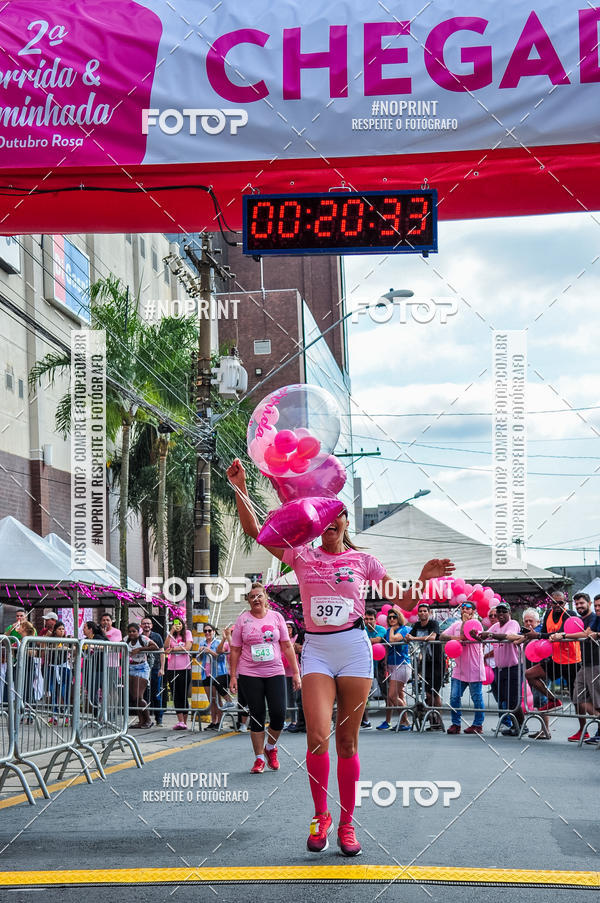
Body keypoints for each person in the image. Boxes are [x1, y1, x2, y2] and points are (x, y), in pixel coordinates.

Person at [227, 457, 454, 857]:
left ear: (347, 523)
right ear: (316, 523)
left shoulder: (364, 562)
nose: (331, 523)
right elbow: (255, 531)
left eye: (339, 517)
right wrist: (240, 486)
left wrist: (423, 577)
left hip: (353, 651)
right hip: (316, 651)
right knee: (317, 738)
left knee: (347, 743)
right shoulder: (301, 556)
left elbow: (404, 599)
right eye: (324, 518)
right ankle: (321, 817)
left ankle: (348, 823)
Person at [229, 583, 300, 773]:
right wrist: (233, 676)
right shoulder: (243, 620)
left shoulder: (277, 617)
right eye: (252, 597)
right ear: (248, 600)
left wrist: (296, 673)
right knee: (257, 715)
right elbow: (235, 649)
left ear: (265, 598)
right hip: (249, 673)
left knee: (278, 714)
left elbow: (287, 646)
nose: (256, 599)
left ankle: (270, 747)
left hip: (275, 671)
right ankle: (259, 758)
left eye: (259, 596)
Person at [525, 591, 580, 732]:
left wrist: (537, 635)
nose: (557, 605)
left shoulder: (570, 614)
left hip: (572, 661)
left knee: (576, 699)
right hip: (555, 659)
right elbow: (544, 634)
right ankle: (553, 699)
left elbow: (559, 633)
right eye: (554, 602)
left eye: (560, 602)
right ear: (550, 603)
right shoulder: (548, 614)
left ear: (565, 602)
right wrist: (525, 637)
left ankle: (583, 730)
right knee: (530, 674)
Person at [550, 592, 600, 744]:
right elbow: (588, 634)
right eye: (576, 604)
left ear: (588, 603)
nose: (579, 606)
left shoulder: (593, 617)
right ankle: (591, 728)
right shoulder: (593, 618)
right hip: (585, 663)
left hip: (596, 663)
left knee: (597, 700)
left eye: (582, 603)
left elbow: (588, 634)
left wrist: (563, 636)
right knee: (578, 696)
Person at [478, 601, 525, 736]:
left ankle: (521, 726)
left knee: (513, 700)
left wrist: (490, 635)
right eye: (498, 612)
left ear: (509, 613)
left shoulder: (513, 623)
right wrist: (477, 634)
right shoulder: (495, 626)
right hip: (500, 669)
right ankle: (514, 725)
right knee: (503, 699)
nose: (500, 614)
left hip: (514, 667)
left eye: (503, 611)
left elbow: (507, 636)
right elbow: (484, 637)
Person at [441, 602, 485, 734]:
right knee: (454, 697)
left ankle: (478, 725)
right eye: (463, 608)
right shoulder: (455, 624)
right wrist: (455, 638)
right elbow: (442, 636)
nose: (465, 610)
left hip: (474, 668)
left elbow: (466, 636)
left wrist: (463, 629)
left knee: (476, 697)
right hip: (459, 669)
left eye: (468, 608)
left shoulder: (477, 624)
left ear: (473, 611)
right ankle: (456, 724)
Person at [407, 602, 444, 730]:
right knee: (427, 693)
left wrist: (414, 639)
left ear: (429, 613)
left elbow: (432, 637)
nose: (422, 613)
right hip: (423, 663)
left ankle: (437, 721)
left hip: (436, 663)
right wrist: (408, 637)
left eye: (425, 611)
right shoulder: (416, 625)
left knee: (434, 692)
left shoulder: (434, 624)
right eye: (420, 611)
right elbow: (408, 636)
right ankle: (432, 718)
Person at [377, 609, 412, 731]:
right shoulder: (387, 631)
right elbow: (387, 647)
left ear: (399, 618)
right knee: (399, 695)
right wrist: (386, 663)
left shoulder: (404, 629)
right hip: (392, 666)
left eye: (394, 617)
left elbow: (393, 640)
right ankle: (403, 722)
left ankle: (406, 721)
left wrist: (391, 630)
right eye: (390, 617)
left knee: (392, 696)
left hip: (402, 665)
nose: (391, 619)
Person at [125, 622, 158, 728]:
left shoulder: (143, 639)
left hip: (142, 667)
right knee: (134, 698)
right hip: (130, 667)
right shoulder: (126, 639)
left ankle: (148, 720)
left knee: (138, 696)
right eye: (130, 631)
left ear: (138, 631)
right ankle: (141, 721)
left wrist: (140, 649)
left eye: (134, 631)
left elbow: (155, 647)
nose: (132, 633)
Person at [164, 616, 193, 730]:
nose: (178, 626)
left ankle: (184, 721)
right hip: (172, 669)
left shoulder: (188, 633)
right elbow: (166, 646)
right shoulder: (172, 635)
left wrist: (173, 649)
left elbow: (187, 647)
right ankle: (180, 721)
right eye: (175, 624)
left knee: (183, 694)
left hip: (184, 668)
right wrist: (171, 632)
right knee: (175, 694)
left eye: (180, 623)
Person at [200, 624, 230, 730]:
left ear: (214, 631)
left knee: (217, 699)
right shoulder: (202, 643)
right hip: (205, 673)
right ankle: (213, 721)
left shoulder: (218, 643)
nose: (207, 633)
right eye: (205, 631)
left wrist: (210, 651)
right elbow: (199, 659)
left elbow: (221, 657)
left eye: (209, 630)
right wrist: (200, 652)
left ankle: (219, 721)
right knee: (211, 700)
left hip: (217, 673)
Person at [140, 617, 165, 726]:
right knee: (142, 695)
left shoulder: (157, 636)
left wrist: (162, 668)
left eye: (148, 623)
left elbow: (162, 652)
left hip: (155, 668)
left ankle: (159, 718)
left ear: (152, 625)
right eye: (144, 623)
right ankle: (145, 719)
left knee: (156, 694)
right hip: (142, 669)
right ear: (141, 625)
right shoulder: (138, 637)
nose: (146, 625)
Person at [48, 621, 72, 725]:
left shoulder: (67, 639)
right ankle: (54, 715)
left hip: (64, 668)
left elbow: (73, 648)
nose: (62, 631)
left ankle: (67, 715)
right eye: (59, 629)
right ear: (55, 630)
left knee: (64, 692)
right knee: (53, 692)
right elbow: (44, 646)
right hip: (53, 668)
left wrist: (66, 648)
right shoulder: (51, 639)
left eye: (63, 629)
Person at [82, 621, 106, 718]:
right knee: (90, 691)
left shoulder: (98, 638)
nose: (83, 629)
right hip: (88, 668)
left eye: (85, 627)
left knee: (95, 690)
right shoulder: (85, 640)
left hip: (98, 668)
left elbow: (107, 645)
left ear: (90, 629)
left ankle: (99, 713)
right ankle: (96, 713)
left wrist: (94, 646)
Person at [483, 608, 499, 703]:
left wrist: (485, 656)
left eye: (495, 615)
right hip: (490, 667)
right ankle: (502, 713)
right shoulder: (488, 630)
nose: (493, 617)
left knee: (502, 693)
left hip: (499, 666)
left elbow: (497, 648)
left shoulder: (501, 629)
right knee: (496, 692)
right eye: (490, 616)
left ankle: (506, 714)